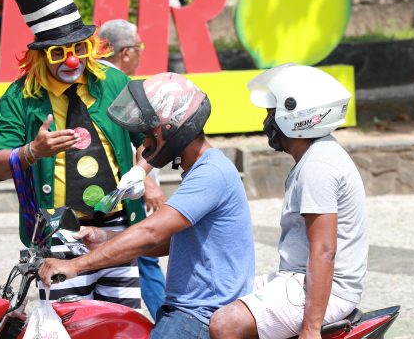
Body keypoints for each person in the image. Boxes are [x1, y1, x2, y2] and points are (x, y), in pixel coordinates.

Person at [0, 0, 154, 309]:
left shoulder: (113, 83)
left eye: (79, 48)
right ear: (40, 56)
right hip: (59, 233)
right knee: (68, 323)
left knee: (122, 322)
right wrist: (32, 151)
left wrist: (142, 174)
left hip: (118, 227)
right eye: (58, 52)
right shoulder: (20, 97)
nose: (71, 60)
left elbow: (152, 141)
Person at [39, 72, 256, 339]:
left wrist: (77, 265)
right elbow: (170, 243)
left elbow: (150, 232)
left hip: (198, 316)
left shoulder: (210, 173)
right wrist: (104, 237)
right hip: (187, 310)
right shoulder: (201, 170)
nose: (144, 143)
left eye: (148, 133)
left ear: (171, 128)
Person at [209, 64, 369, 339]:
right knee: (217, 297)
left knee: (226, 324)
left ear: (296, 115)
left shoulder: (318, 166)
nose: (267, 122)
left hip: (326, 289)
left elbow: (324, 250)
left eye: (272, 113)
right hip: (299, 279)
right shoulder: (316, 156)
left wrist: (311, 328)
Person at [98, 18, 166, 320]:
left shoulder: (96, 82)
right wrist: (149, 183)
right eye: (139, 48)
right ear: (125, 52)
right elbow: (135, 141)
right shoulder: (119, 85)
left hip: (113, 193)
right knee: (144, 253)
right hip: (130, 193)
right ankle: (166, 321)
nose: (140, 54)